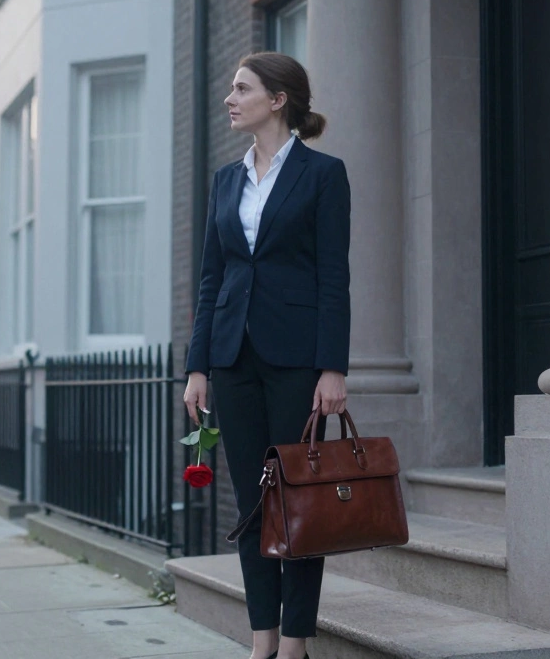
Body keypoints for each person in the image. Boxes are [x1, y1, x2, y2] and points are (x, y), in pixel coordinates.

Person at [184, 52, 351, 659]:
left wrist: (333, 366)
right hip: (232, 360)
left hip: (297, 361)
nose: (230, 97)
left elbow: (334, 277)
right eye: (230, 87)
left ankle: (296, 642)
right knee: (254, 500)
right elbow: (212, 278)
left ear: (278, 99)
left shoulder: (323, 175)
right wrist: (198, 366)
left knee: (298, 499)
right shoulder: (227, 181)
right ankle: (263, 640)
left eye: (241, 88)